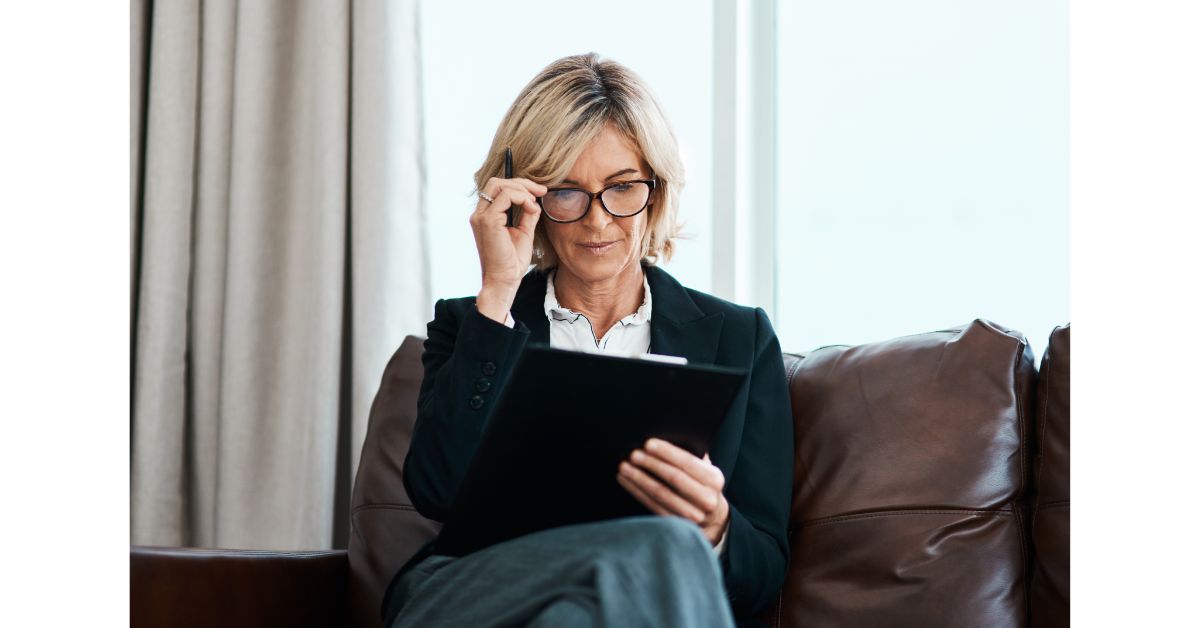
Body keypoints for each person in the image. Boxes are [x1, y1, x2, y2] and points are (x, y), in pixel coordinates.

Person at [382, 53, 794, 628]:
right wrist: (499, 288)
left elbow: (765, 569)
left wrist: (717, 526)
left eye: (622, 187)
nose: (597, 221)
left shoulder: (739, 339)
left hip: (621, 606)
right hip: (472, 593)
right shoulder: (471, 324)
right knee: (664, 550)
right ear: (528, 198)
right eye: (567, 192)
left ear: (657, 188)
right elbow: (436, 490)